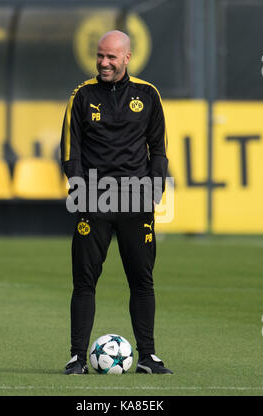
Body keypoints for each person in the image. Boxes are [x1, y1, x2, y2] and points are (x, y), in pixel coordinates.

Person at [60, 30, 172, 374]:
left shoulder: (148, 95)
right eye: (100, 56)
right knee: (84, 281)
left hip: (136, 203)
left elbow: (159, 150)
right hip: (94, 200)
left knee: (142, 281)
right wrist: (80, 189)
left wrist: (154, 191)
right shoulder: (82, 95)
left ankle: (148, 357)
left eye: (111, 57)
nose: (104, 63)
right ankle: (77, 357)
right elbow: (69, 150)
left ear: (127, 58)